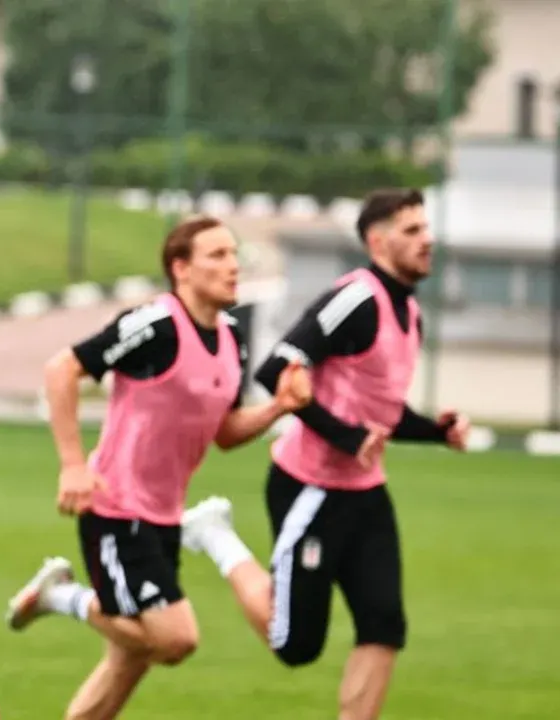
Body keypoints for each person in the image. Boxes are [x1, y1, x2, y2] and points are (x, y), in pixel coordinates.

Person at [3, 216, 312, 720]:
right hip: (115, 508)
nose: (233, 265)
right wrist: (73, 466)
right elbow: (63, 369)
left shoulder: (232, 337)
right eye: (217, 255)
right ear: (181, 268)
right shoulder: (155, 324)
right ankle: (60, 597)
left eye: (234, 254)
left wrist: (280, 406)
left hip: (164, 516)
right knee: (174, 639)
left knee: (127, 662)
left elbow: (226, 432)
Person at [179, 188, 471, 720]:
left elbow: (382, 414)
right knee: (296, 645)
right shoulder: (356, 298)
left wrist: (437, 432)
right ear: (376, 242)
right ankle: (215, 535)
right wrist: (346, 437)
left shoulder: (410, 312)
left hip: (366, 492)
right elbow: (277, 369)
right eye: (411, 230)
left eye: (426, 228)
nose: (427, 240)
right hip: (310, 488)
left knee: (384, 627)